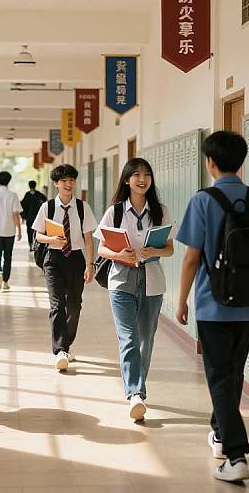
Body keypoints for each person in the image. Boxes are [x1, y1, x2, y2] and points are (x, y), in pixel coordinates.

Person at [175, 131, 249, 482]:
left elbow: (192, 258)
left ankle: (236, 456)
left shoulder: (202, 200)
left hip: (212, 305)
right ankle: (220, 435)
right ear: (242, 161)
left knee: (219, 377)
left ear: (210, 163)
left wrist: (181, 300)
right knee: (232, 375)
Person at [95, 158, 174, 421]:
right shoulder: (115, 212)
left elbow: (170, 249)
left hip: (152, 280)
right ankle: (136, 393)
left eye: (147, 175)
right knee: (127, 337)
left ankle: (137, 386)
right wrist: (120, 254)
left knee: (145, 338)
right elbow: (102, 249)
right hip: (121, 281)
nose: (142, 179)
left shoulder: (160, 210)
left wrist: (154, 251)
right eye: (136, 175)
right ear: (127, 180)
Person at [33, 164, 97, 371]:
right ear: (56, 184)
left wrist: (90, 263)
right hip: (53, 259)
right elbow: (38, 236)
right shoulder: (48, 207)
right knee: (57, 304)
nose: (68, 184)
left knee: (74, 305)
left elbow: (88, 237)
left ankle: (67, 343)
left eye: (71, 180)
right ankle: (60, 350)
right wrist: (51, 238)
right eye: (64, 181)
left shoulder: (82, 207)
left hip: (76, 258)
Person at [21, 180, 47, 251]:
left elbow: (22, 205)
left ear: (29, 186)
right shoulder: (39, 195)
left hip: (29, 217)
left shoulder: (27, 195)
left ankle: (31, 245)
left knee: (29, 231)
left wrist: (23, 216)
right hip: (38, 217)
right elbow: (45, 202)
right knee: (37, 231)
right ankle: (36, 245)